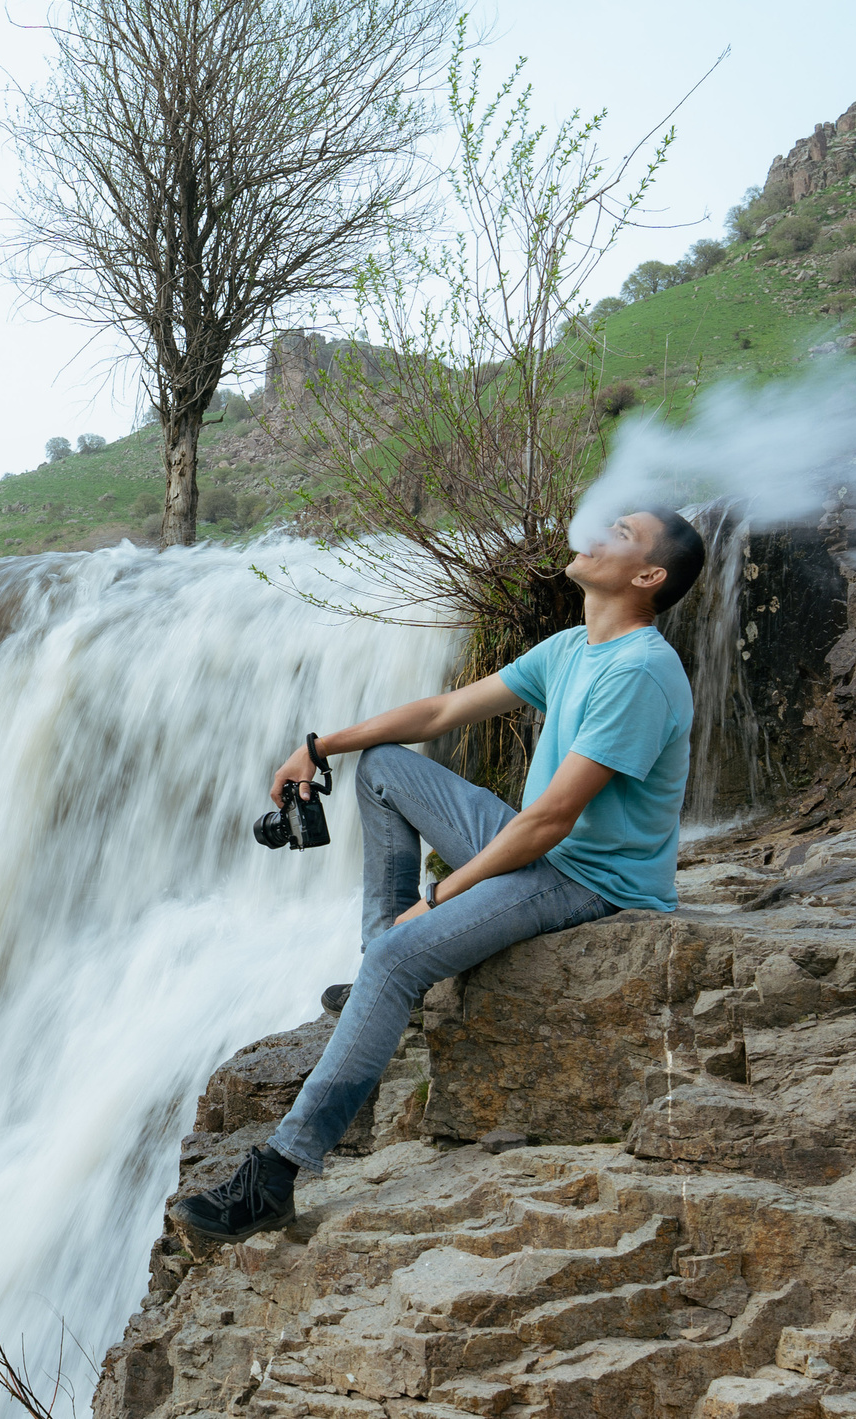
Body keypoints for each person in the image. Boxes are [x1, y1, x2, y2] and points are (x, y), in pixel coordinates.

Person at [174, 507, 707, 1243]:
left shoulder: (641, 671)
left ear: (648, 576)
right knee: (386, 768)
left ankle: (278, 1173)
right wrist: (318, 745)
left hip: (594, 880)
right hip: (541, 847)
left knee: (402, 953)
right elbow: (444, 709)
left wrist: (437, 898)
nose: (597, 531)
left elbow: (550, 821)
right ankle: (379, 977)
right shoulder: (573, 649)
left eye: (622, 532)